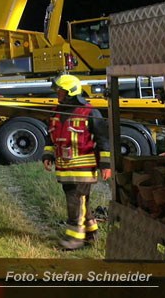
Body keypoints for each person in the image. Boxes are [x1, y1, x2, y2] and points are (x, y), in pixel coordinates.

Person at [42, 74, 111, 250]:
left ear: (71, 93)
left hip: (83, 168)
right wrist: (48, 156)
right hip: (65, 169)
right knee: (81, 202)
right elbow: (50, 138)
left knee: (75, 201)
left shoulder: (90, 112)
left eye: (61, 91)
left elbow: (103, 139)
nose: (58, 94)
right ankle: (91, 233)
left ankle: (74, 239)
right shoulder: (57, 112)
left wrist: (106, 165)